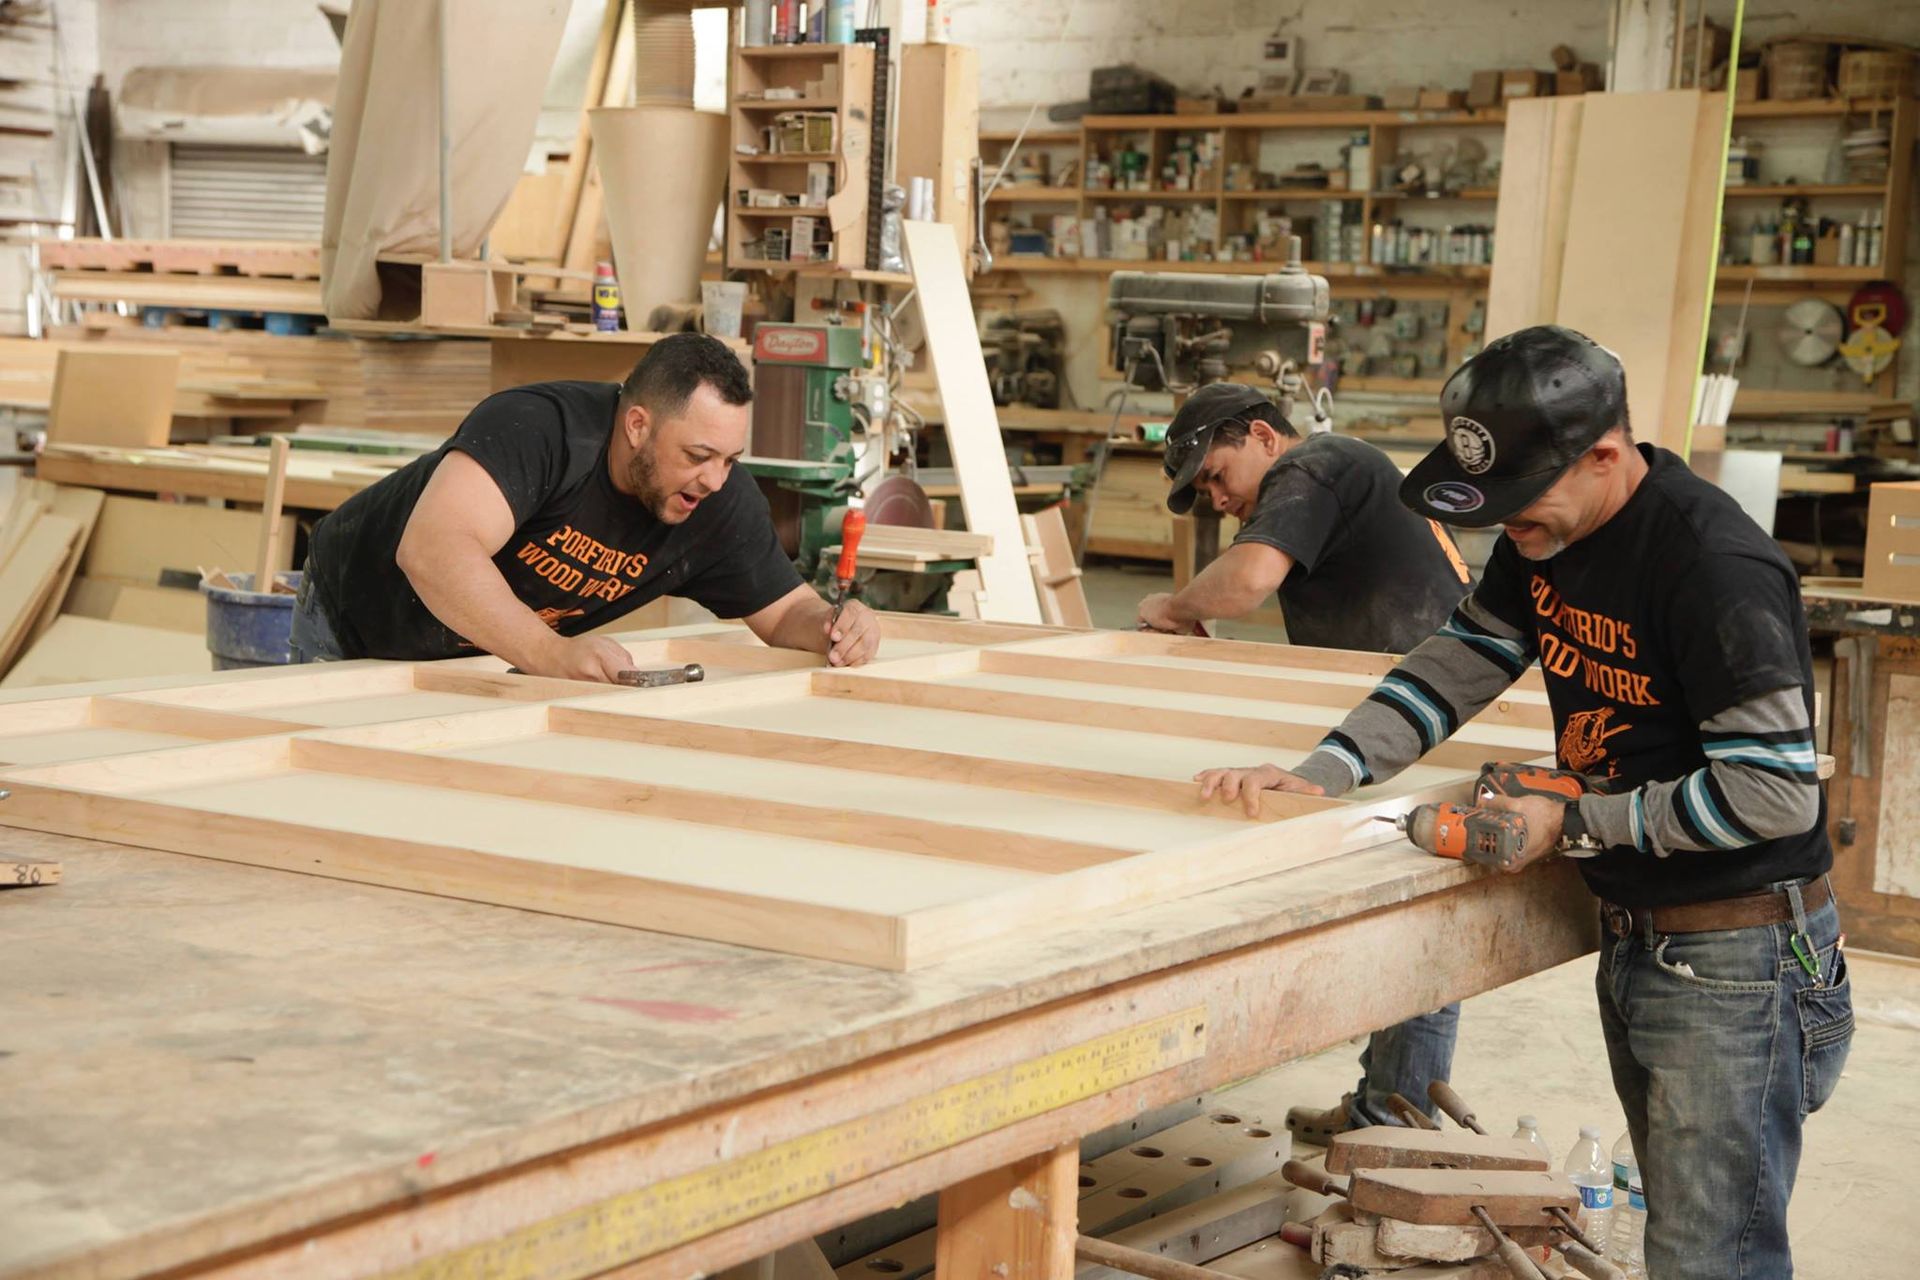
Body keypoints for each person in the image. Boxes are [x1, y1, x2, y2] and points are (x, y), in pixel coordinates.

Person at [1197, 326, 1852, 1279]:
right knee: (1683, 1228)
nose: (1510, 528)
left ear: (1605, 455)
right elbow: (1462, 660)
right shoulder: (1546, 535)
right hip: (1644, 929)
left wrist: (1576, 822)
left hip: (1739, 954)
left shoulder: (1713, 567)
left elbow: (1775, 794)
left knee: (1715, 1256)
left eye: (1522, 501)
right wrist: (1330, 768)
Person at [1137, 382, 1473, 1140]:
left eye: (1217, 475)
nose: (1217, 497)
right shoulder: (1333, 478)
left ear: (1262, 434)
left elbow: (1251, 580)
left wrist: (1178, 606)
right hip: (1404, 705)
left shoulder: (1314, 465)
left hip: (1420, 714)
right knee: (1411, 913)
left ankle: (1394, 1128)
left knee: (1417, 921)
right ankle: (1386, 1108)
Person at [294, 333, 879, 676]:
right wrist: (547, 652)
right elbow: (432, 549)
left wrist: (834, 626)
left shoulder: (717, 499)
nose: (716, 480)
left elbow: (783, 615)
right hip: (360, 617)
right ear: (637, 426)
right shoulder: (541, 430)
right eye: (699, 454)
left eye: (730, 458)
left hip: (482, 648)